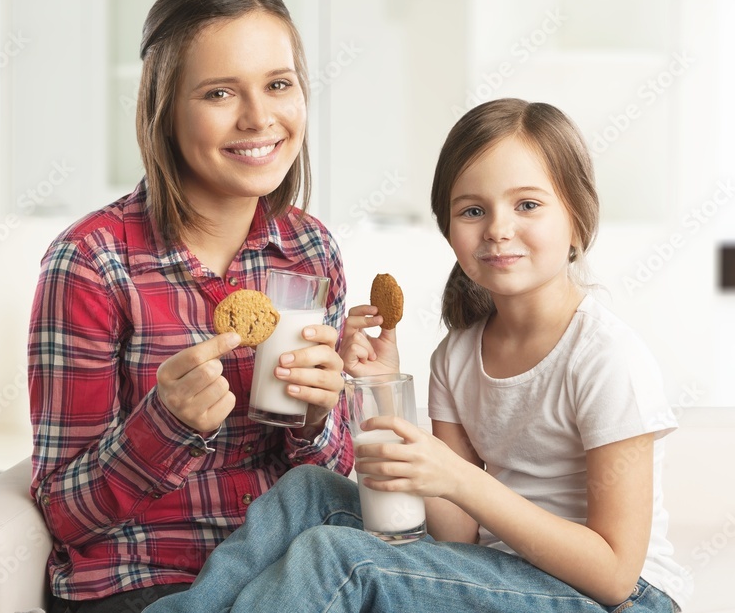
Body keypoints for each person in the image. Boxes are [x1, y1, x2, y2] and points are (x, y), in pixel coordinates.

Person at [145, 98, 692, 612]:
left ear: (577, 217)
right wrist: (386, 389)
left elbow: (617, 572)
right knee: (307, 491)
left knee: (339, 559)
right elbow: (455, 533)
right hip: (502, 570)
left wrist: (460, 478)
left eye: (527, 204)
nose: (499, 229)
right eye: (473, 210)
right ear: (448, 230)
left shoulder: (605, 358)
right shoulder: (457, 355)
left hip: (618, 598)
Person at [27, 0, 354, 613]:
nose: (259, 118)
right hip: (142, 582)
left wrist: (317, 420)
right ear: (164, 109)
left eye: (279, 85)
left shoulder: (311, 251)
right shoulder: (92, 263)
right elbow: (64, 514)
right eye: (218, 93)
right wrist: (165, 425)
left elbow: (334, 479)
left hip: (288, 572)